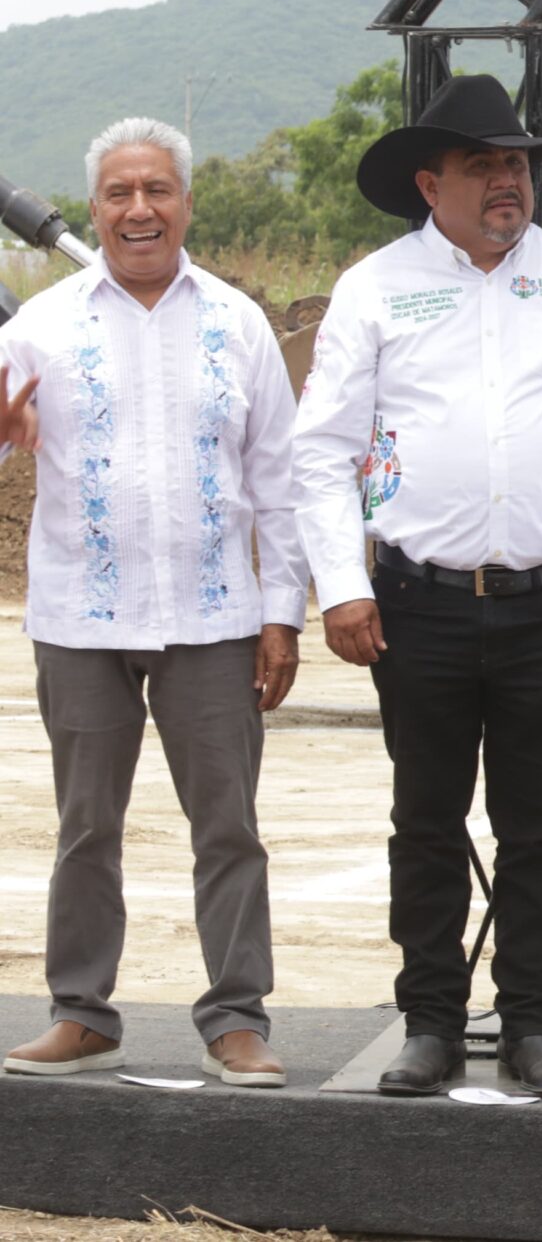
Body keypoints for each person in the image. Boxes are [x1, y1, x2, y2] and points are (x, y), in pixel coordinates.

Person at [292, 75, 542, 1100]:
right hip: (417, 602)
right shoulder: (374, 288)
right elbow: (321, 449)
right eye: (484, 165)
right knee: (425, 822)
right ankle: (430, 1020)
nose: (510, 180)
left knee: (540, 826)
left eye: (518, 162)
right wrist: (339, 585)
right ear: (431, 181)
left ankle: (538, 1020)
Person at [0, 119, 306, 1088]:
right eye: (120, 193)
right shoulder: (38, 326)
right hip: (81, 621)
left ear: (184, 202)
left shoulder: (236, 321)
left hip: (213, 619)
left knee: (228, 825)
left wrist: (282, 609)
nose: (139, 208)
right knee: (86, 824)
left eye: (157, 189)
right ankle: (82, 1011)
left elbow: (279, 477)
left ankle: (236, 1018)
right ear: (93, 208)